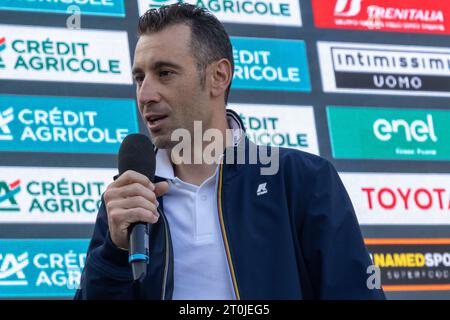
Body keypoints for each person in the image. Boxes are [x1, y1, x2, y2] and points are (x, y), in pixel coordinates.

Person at [74, 3, 385, 300]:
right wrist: (114, 253)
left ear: (218, 77)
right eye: (139, 78)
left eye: (165, 73)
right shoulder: (130, 198)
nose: (146, 94)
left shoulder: (301, 178)